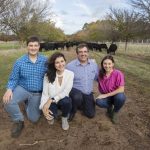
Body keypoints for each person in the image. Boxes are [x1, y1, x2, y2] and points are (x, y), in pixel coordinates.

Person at [2, 36, 47, 138]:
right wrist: (9, 89)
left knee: (34, 119)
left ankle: (28, 103)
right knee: (7, 100)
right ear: (27, 47)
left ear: (39, 47)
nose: (33, 48)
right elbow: (13, 78)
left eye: (35, 45)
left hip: (37, 92)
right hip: (23, 88)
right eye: (30, 45)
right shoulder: (19, 61)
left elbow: (51, 75)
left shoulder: (45, 61)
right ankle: (19, 121)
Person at [39, 52, 74, 130]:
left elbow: (66, 92)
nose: (60, 64)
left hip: (62, 99)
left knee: (67, 101)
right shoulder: (47, 75)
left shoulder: (70, 74)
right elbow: (45, 93)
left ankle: (64, 118)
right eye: (57, 62)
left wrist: (51, 100)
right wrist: (43, 107)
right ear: (53, 64)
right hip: (50, 101)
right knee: (51, 117)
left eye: (62, 61)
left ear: (65, 61)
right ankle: (54, 113)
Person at [67, 43, 99, 121]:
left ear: (88, 53)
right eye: (80, 52)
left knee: (90, 114)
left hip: (88, 93)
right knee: (77, 97)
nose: (83, 54)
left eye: (85, 51)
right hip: (75, 92)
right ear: (77, 54)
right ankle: (72, 110)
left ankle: (81, 104)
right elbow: (65, 82)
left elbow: (98, 78)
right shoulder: (70, 66)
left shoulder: (94, 65)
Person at [95, 55, 126, 124]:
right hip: (108, 97)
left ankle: (115, 112)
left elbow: (121, 89)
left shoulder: (118, 73)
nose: (107, 66)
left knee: (121, 97)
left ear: (113, 64)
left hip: (116, 95)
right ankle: (109, 107)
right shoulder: (100, 74)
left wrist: (106, 95)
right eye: (105, 63)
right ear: (102, 64)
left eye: (109, 64)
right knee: (98, 101)